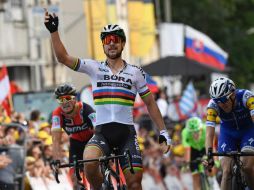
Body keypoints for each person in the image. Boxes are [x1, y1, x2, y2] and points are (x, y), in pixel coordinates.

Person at [44, 10, 171, 190]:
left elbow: (150, 103)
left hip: (126, 134)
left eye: (115, 40)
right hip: (102, 133)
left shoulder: (136, 72)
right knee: (89, 163)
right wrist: (53, 31)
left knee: (135, 184)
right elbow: (62, 58)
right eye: (106, 40)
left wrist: (163, 131)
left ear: (123, 43)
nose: (111, 44)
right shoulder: (94, 68)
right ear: (103, 45)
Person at [205, 77, 254, 190]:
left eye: (224, 99)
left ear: (233, 94)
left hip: (248, 131)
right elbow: (209, 134)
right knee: (226, 171)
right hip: (228, 134)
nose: (222, 104)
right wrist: (209, 155)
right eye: (218, 101)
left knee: (246, 167)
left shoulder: (247, 97)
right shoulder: (212, 106)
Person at [51, 83, 95, 189]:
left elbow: (99, 129)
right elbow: (55, 140)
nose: (65, 102)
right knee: (74, 180)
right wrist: (56, 160)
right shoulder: (57, 114)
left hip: (92, 142)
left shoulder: (85, 108)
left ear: (74, 98)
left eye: (67, 98)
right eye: (61, 100)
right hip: (75, 145)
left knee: (92, 176)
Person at [181, 117, 206, 190]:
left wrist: (213, 159)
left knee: (211, 169)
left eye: (197, 131)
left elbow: (210, 146)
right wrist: (186, 164)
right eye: (192, 132)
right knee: (195, 177)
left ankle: (211, 181)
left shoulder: (206, 129)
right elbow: (187, 150)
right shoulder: (185, 132)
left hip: (204, 147)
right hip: (193, 150)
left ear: (201, 128)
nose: (195, 134)